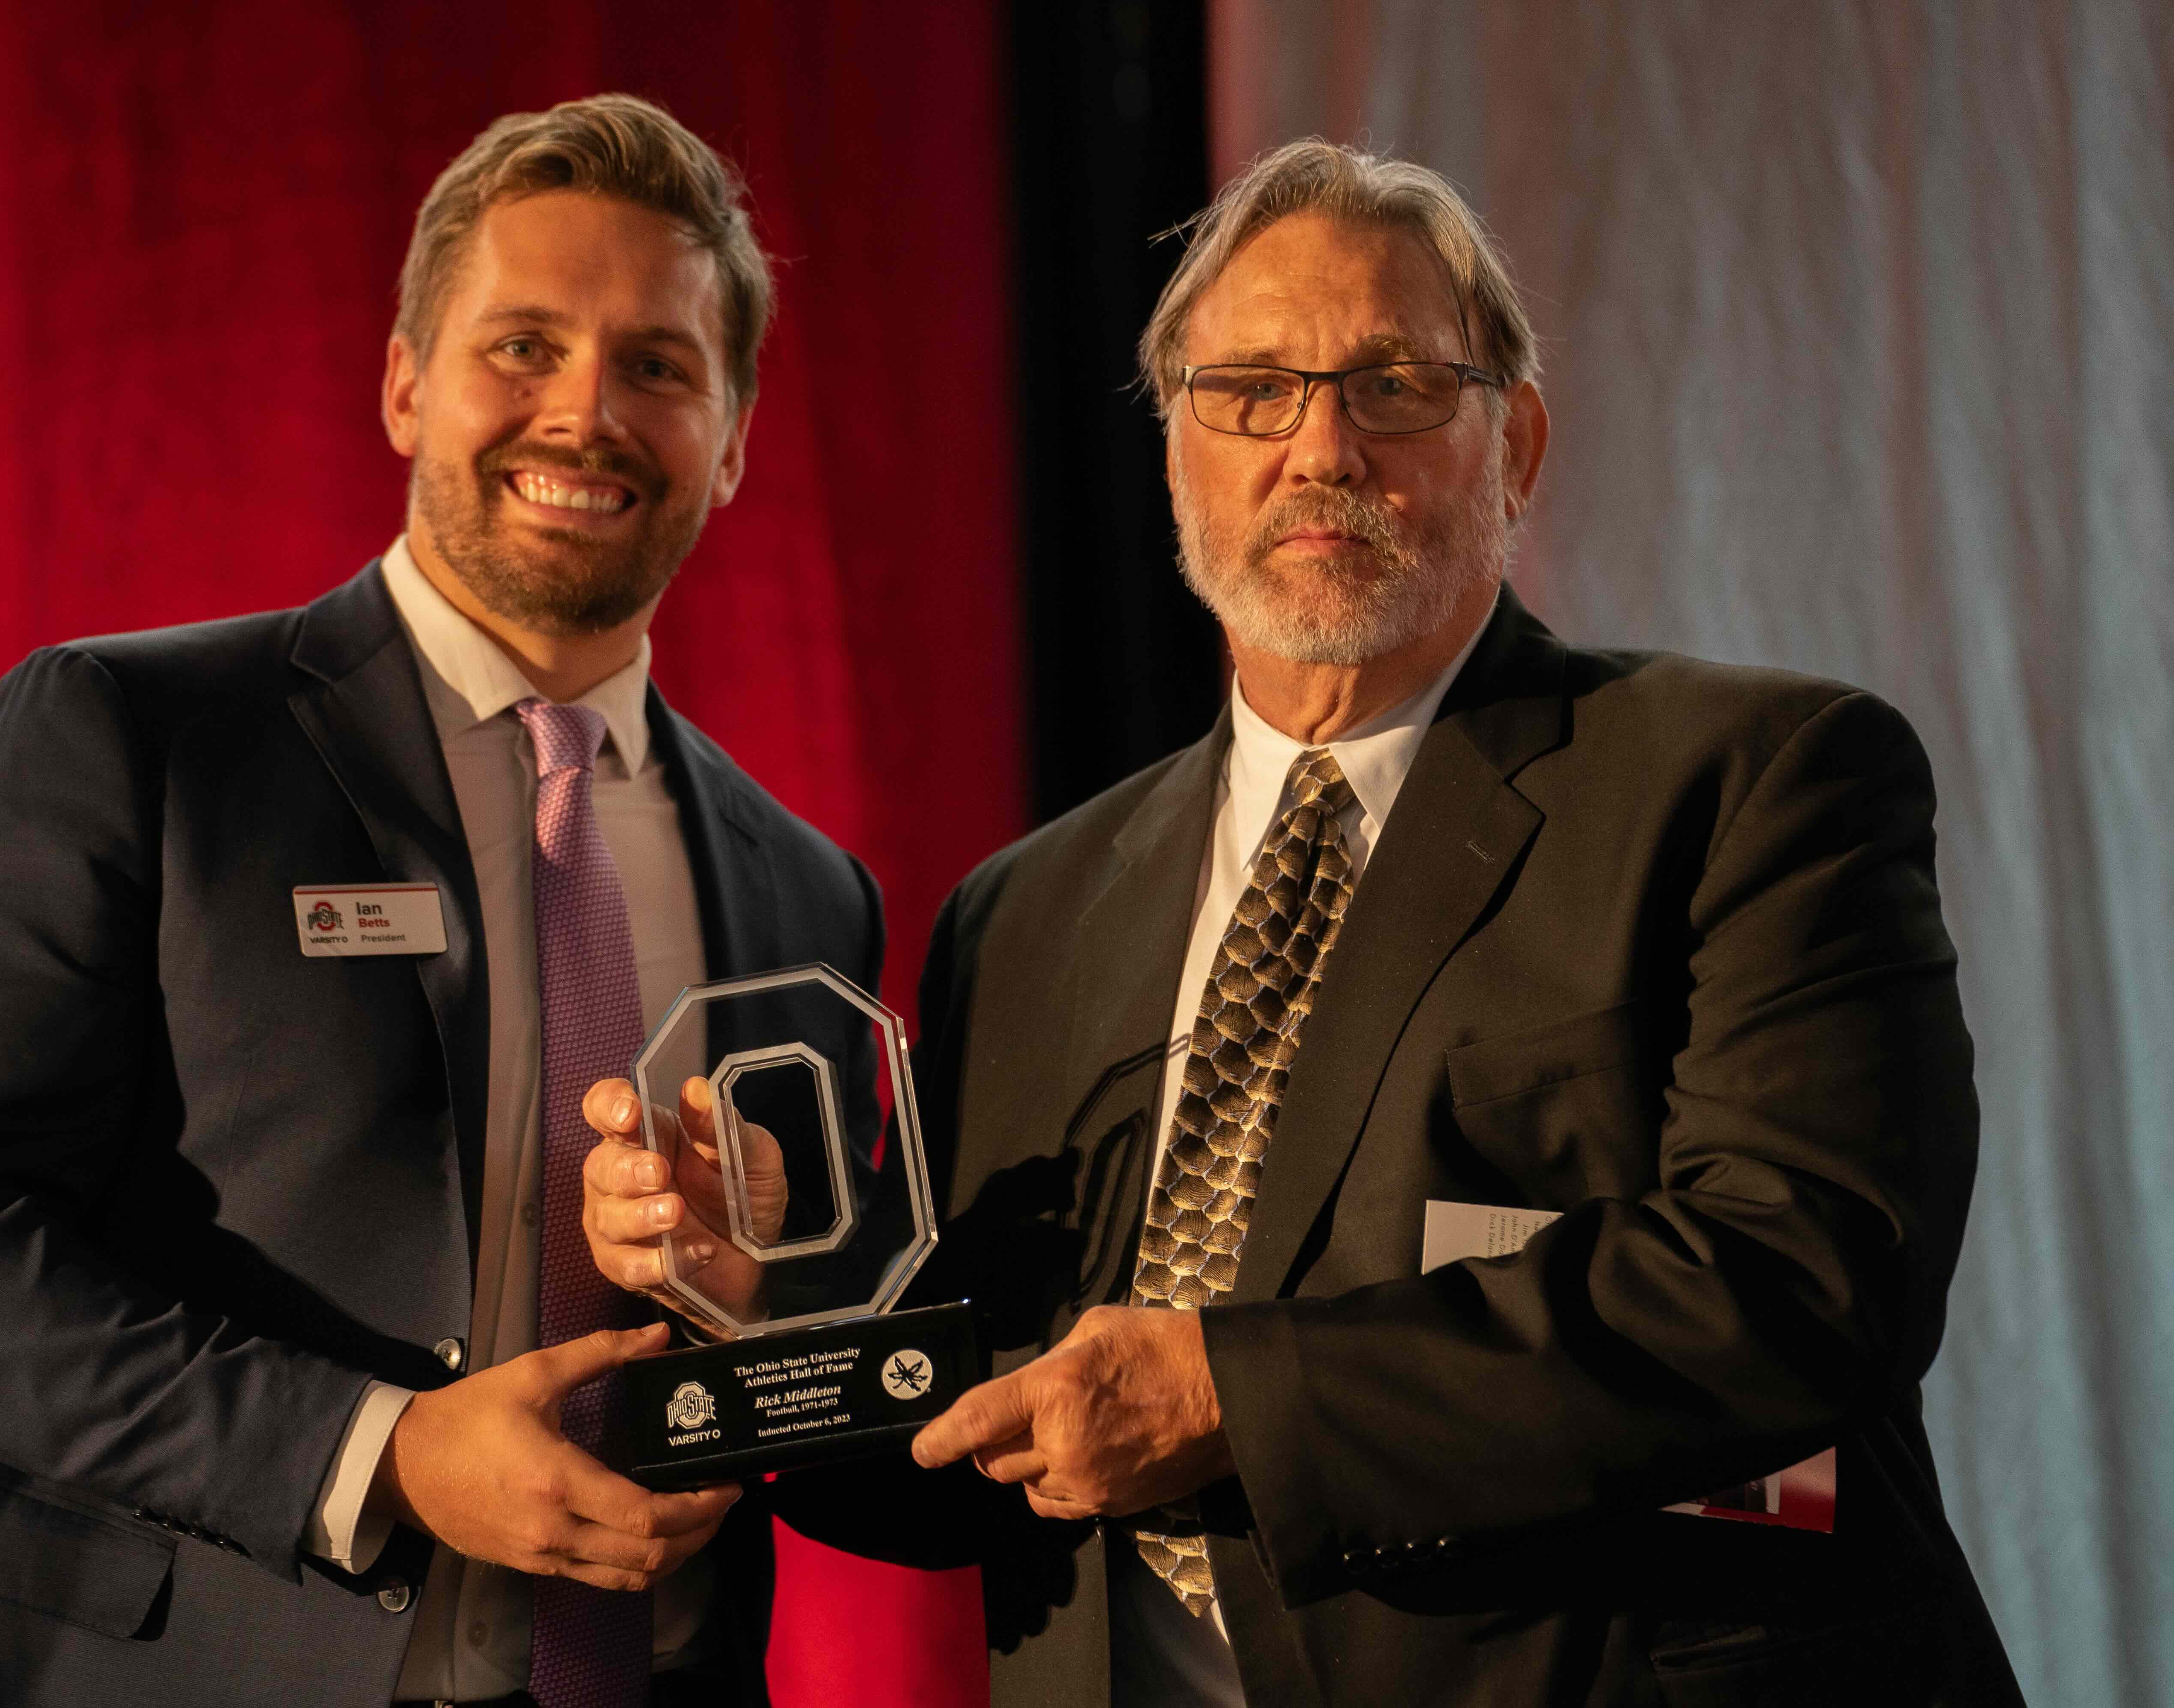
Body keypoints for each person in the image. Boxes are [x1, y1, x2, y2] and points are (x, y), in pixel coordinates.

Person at [584, 140, 2023, 1705]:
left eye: (1394, 383)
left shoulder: (1755, 779)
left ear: (1516, 444)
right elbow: (968, 1438)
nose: (1321, 446)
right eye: (1251, 388)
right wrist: (757, 1308)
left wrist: (1229, 1395)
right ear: (1180, 453)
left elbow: (1805, 1281)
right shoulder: (1028, 911)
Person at [0, 94, 882, 1708]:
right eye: (521, 346)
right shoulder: (133, 737)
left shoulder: (808, 887)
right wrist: (373, 1452)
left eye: (657, 365)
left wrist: (755, 1313)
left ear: (731, 439)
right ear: (404, 384)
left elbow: (820, 1354)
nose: (584, 412)